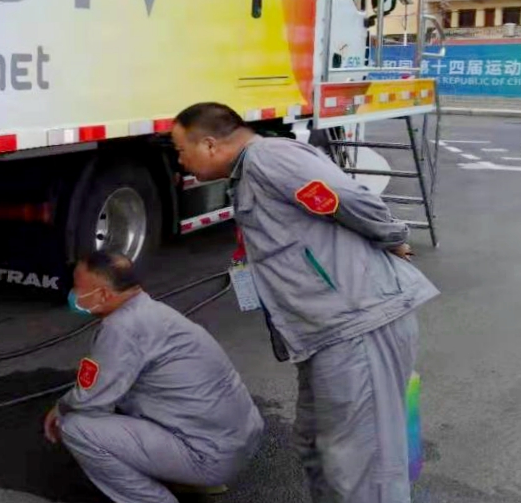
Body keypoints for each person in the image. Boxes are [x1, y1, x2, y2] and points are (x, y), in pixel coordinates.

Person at [171, 102, 440, 503]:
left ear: (210, 144)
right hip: (325, 335)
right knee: (317, 448)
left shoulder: (270, 158)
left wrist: (393, 238)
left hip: (357, 326)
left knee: (362, 467)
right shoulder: (249, 174)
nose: (179, 161)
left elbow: (345, 197)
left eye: (180, 150)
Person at [43, 252, 263, 503]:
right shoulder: (152, 311)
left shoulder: (122, 328)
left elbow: (91, 397)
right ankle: (186, 478)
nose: (73, 294)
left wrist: (61, 407)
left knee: (75, 427)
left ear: (103, 294)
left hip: (209, 455)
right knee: (122, 400)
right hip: (237, 442)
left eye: (77, 287)